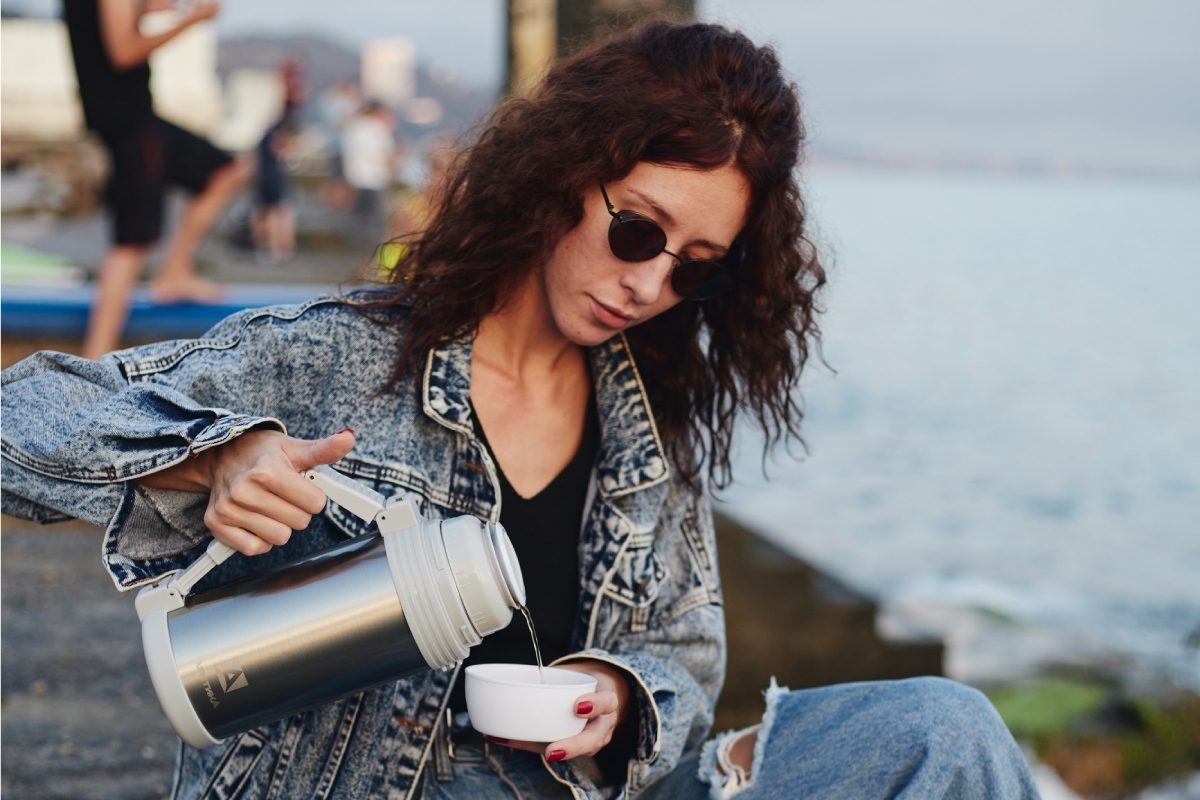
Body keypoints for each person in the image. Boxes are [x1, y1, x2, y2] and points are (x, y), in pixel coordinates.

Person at [0, 20, 1043, 800]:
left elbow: (685, 656)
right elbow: (20, 417)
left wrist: (618, 695)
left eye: (697, 268)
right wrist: (214, 457)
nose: (649, 285)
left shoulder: (647, 418)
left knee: (942, 728)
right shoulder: (339, 357)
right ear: (562, 176)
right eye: (638, 232)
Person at [62, 0, 253, 360]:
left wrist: (159, 8)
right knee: (131, 242)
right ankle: (95, 357)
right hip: (130, 122)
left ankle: (175, 271)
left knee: (226, 170)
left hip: (129, 119)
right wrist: (192, 19)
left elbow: (116, 22)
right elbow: (124, 50)